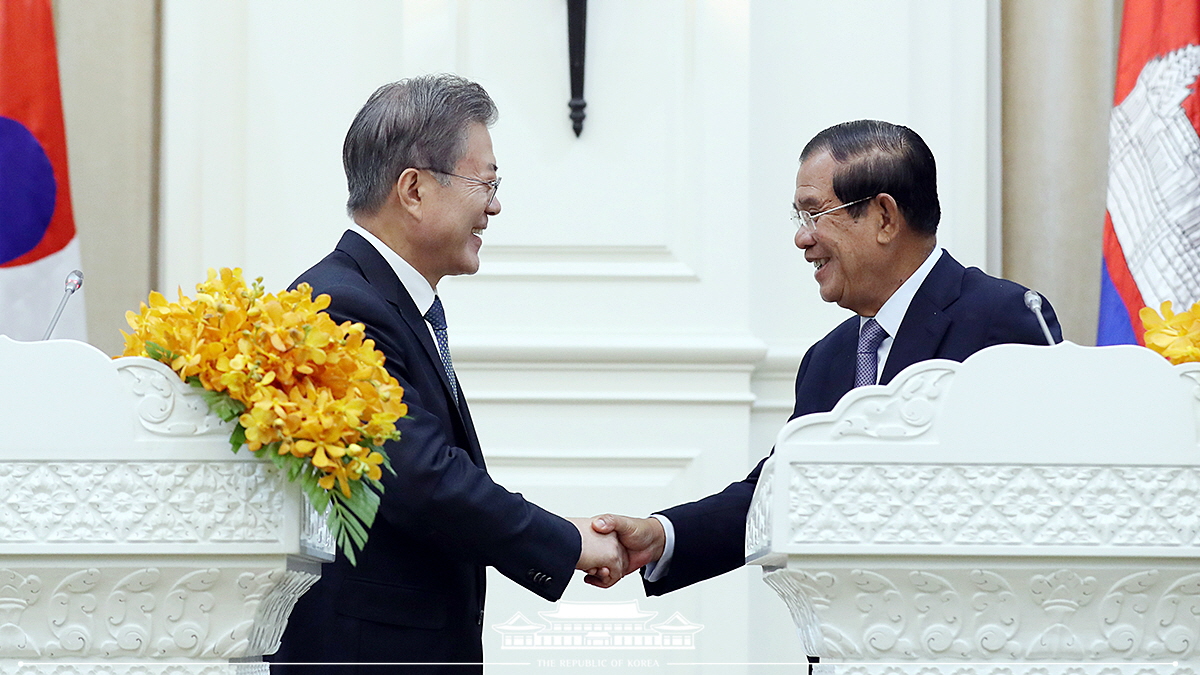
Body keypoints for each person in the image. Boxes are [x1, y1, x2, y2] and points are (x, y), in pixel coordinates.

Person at [590, 119, 1062, 600]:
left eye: (815, 214)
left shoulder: (1003, 319)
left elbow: (1039, 490)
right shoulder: (828, 358)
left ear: (883, 217)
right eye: (799, 218)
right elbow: (782, 492)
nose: (802, 239)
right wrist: (663, 535)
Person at [270, 75, 626, 674]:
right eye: (484, 182)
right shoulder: (335, 305)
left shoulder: (383, 299)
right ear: (413, 189)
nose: (494, 205)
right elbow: (418, 475)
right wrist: (567, 543)